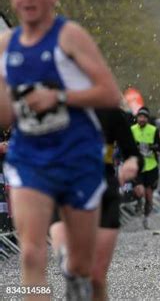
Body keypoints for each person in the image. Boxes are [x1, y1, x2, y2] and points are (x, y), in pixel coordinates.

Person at [0, 0, 121, 299]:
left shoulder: (70, 36)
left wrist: (60, 97)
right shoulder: (5, 46)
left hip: (78, 157)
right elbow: (5, 116)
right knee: (30, 253)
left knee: (83, 267)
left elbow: (110, 94)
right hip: (29, 157)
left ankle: (80, 282)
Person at [50, 108, 143, 301]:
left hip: (103, 191)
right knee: (71, 266)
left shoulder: (110, 113)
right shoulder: (51, 107)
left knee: (96, 277)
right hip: (64, 189)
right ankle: (70, 270)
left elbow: (133, 153)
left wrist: (132, 163)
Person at [131, 106, 160, 229]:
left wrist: (153, 147)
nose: (141, 119)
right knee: (139, 191)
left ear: (147, 119)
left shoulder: (154, 130)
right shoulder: (131, 130)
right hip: (137, 166)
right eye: (139, 117)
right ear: (137, 118)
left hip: (151, 166)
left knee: (149, 196)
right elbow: (125, 147)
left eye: (144, 117)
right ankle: (138, 202)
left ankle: (146, 217)